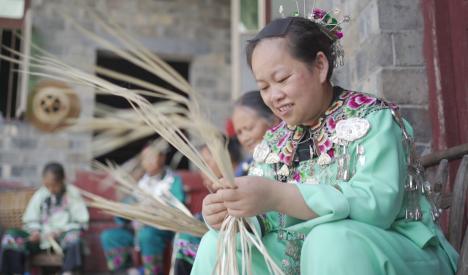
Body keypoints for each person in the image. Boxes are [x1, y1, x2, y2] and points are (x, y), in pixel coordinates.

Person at [191, 14, 459, 275]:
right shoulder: (274, 140)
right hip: (302, 254)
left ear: (320, 66)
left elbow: (377, 207)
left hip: (394, 249)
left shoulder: (371, 118)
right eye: (263, 87)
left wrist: (279, 195)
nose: (274, 96)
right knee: (215, 245)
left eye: (282, 79)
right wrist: (232, 215)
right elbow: (266, 217)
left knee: (329, 240)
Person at [100, 142, 185, 275]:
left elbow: (177, 207)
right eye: (145, 158)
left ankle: (152, 272)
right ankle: (127, 271)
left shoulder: (173, 180)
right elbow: (129, 205)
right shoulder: (140, 182)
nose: (148, 161)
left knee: (147, 235)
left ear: (162, 158)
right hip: (136, 229)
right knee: (109, 236)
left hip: (160, 230)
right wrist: (123, 211)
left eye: (152, 157)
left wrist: (155, 210)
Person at [0, 162, 89, 275]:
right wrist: (35, 232)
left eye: (54, 185)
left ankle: (68, 272)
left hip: (61, 240)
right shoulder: (41, 194)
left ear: (63, 179)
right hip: (40, 241)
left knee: (74, 236)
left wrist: (58, 232)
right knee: (11, 236)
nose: (50, 188)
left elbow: (80, 222)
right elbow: (31, 219)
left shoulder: (72, 194)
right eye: (47, 185)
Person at [173, 136, 241, 275]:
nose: (201, 171)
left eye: (205, 163)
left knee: (186, 238)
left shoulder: (244, 180)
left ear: (224, 157)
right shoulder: (222, 187)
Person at [232, 91, 281, 177]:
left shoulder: (293, 161)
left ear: (274, 121)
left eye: (249, 128)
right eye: (239, 132)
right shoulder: (243, 170)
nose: (244, 138)